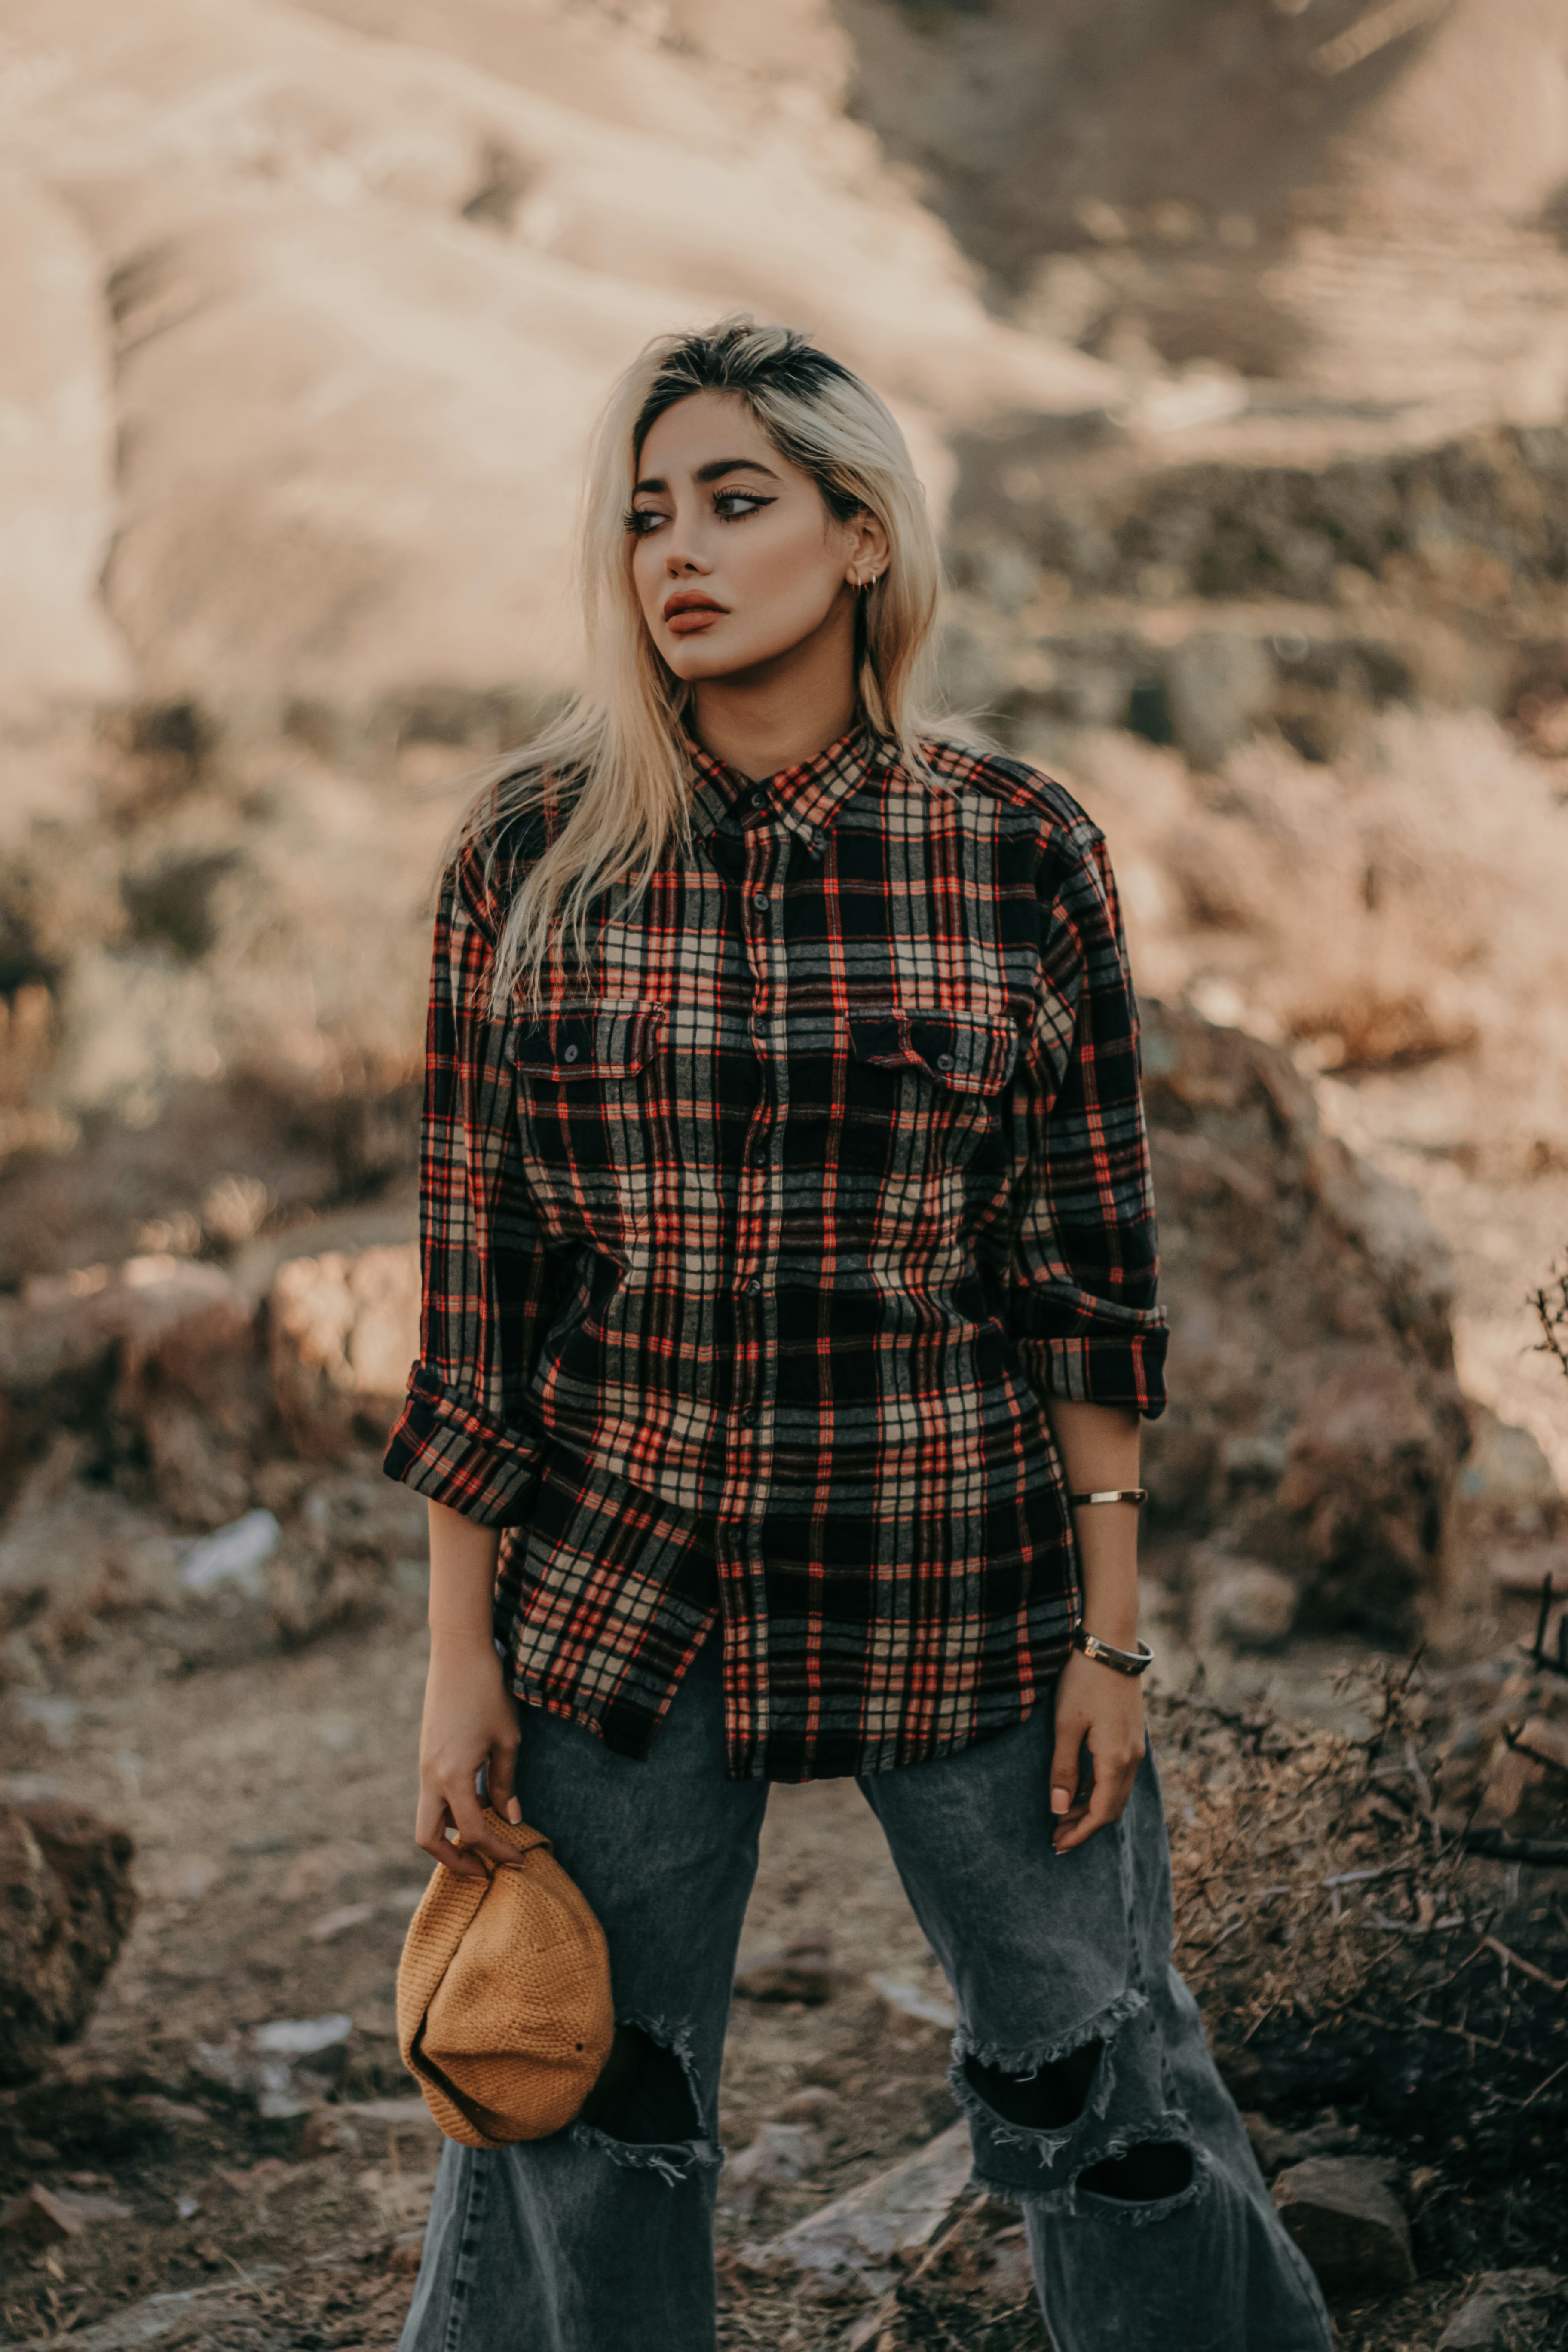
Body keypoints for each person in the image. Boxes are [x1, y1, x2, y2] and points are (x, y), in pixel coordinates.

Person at [383, 316, 1331, 2352]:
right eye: (646, 514)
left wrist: (1114, 1635)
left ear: (864, 534)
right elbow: (481, 1303)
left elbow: (1087, 1287)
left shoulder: (1013, 847)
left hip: (957, 1568)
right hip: (620, 1581)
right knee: (583, 2106)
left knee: (1107, 2079)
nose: (678, 554)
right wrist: (460, 1661)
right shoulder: (529, 859)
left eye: (736, 500)